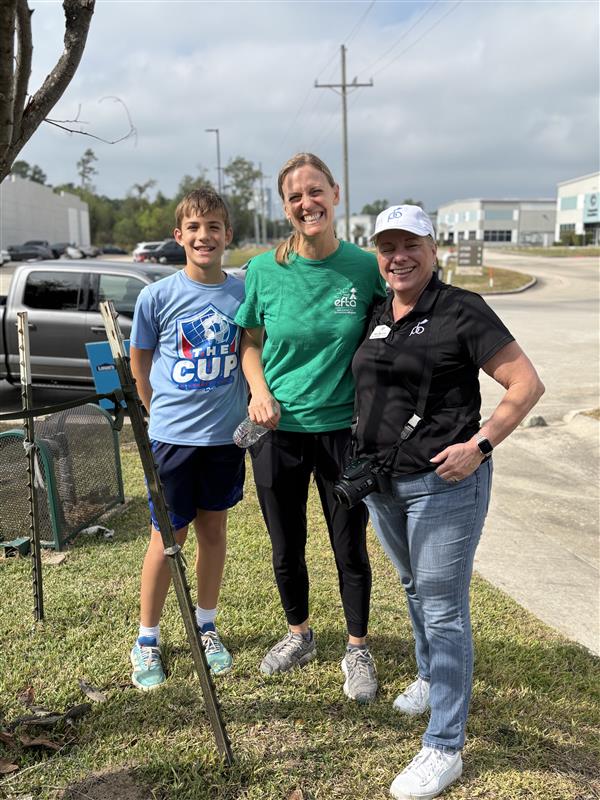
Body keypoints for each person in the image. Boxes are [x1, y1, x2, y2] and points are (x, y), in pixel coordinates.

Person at [351, 205, 545, 798]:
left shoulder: (462, 309)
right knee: (414, 590)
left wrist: (480, 445)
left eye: (410, 244)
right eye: (387, 246)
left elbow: (526, 384)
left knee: (442, 608)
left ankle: (444, 747)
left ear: (434, 249)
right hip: (385, 484)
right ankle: (432, 679)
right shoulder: (380, 310)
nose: (398, 256)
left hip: (445, 484)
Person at [234, 152, 387, 702]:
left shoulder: (366, 268)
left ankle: (357, 647)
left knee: (350, 546)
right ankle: (300, 634)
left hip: (345, 431)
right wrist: (260, 391)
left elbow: (397, 326)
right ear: (285, 206)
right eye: (296, 196)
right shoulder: (262, 270)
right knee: (285, 545)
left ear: (336, 194)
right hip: (277, 430)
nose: (307, 203)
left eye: (315, 191)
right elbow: (248, 342)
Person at [128, 189, 247, 690]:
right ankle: (147, 639)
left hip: (224, 439)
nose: (205, 236)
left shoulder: (243, 291)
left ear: (228, 236)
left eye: (214, 227)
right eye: (195, 228)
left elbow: (252, 352)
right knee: (166, 537)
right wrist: (156, 410)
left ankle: (206, 626)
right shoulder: (156, 296)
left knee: (213, 533)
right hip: (174, 439)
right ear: (179, 236)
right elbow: (140, 360)